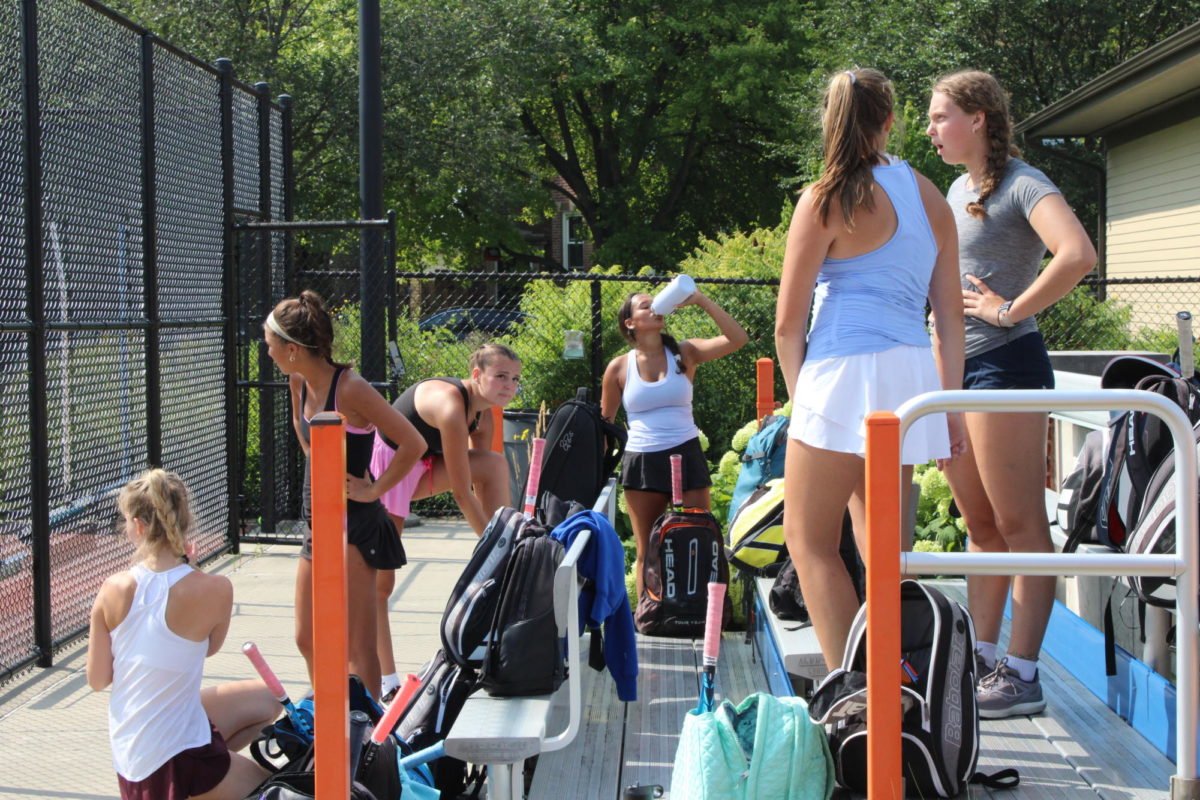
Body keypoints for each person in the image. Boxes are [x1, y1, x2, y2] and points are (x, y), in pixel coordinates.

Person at [775, 68, 966, 671]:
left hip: (839, 376)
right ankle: (889, 684)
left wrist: (799, 402)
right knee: (886, 550)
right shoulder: (930, 194)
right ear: (889, 120)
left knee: (809, 542)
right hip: (910, 379)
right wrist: (949, 408)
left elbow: (787, 325)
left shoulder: (824, 197)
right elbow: (950, 318)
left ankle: (850, 692)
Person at [927, 70, 1096, 718]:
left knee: (1022, 524)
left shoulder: (1023, 181)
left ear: (978, 118)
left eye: (942, 117)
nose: (932, 129)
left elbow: (1076, 253)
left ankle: (1022, 674)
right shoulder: (958, 187)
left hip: (1006, 365)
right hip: (960, 375)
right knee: (982, 526)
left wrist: (1008, 309)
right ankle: (980, 657)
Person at [265, 290, 426, 699]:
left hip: (354, 526)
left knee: (358, 647)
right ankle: (327, 723)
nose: (268, 353)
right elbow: (310, 444)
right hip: (317, 522)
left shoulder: (351, 388)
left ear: (294, 348)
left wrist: (373, 489)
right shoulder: (297, 380)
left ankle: (364, 734)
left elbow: (412, 443)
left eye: (271, 345)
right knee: (308, 637)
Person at [87, 468, 279, 800]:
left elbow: (98, 679)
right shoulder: (216, 588)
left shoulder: (111, 588)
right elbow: (209, 648)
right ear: (183, 520)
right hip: (173, 756)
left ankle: (204, 780)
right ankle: (201, 783)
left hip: (133, 750)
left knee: (268, 696)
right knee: (275, 788)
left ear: (137, 526)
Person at [369, 343, 520, 696]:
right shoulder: (453, 407)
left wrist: (501, 544)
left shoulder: (483, 413)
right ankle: (386, 681)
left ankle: (508, 554)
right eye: (500, 376)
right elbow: (462, 493)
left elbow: (478, 475)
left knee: (493, 464)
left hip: (417, 467)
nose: (509, 386)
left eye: (514, 379)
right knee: (381, 584)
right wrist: (492, 548)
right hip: (385, 471)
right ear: (477, 375)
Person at [600, 287, 748, 596]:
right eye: (645, 306)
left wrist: (701, 300)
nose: (654, 307)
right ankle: (649, 618)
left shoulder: (684, 352)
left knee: (700, 540)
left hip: (686, 452)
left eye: (656, 303)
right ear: (630, 323)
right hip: (642, 460)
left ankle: (702, 619)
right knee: (647, 550)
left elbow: (738, 339)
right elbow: (606, 425)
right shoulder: (618, 367)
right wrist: (597, 471)